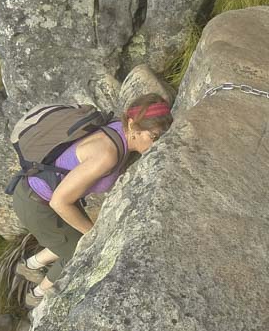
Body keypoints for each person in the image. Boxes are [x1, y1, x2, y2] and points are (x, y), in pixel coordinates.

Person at [12, 94, 173, 307]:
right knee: (78, 251)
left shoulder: (118, 127)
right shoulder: (107, 154)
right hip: (39, 204)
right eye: (153, 137)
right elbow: (60, 202)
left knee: (69, 238)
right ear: (133, 125)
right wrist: (95, 237)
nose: (155, 144)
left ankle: (30, 266)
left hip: (41, 193)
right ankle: (37, 296)